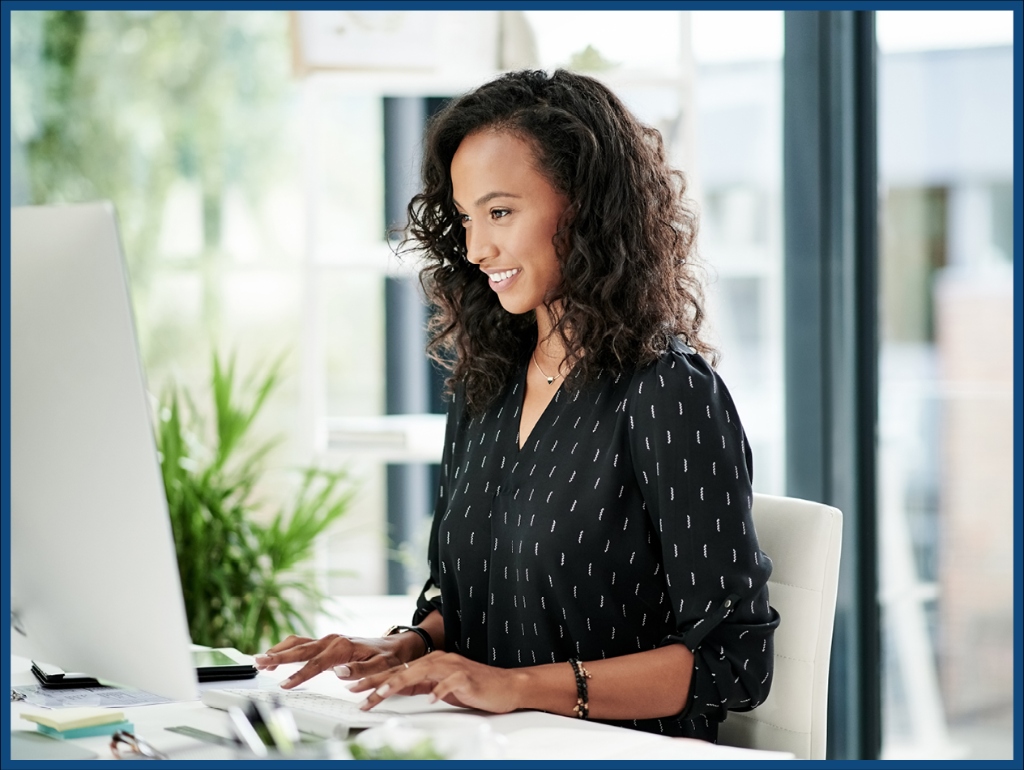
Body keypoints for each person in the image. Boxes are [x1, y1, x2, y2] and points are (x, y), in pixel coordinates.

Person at [255, 69, 779, 742]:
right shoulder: (489, 385)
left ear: (586, 205)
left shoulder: (667, 394)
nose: (477, 249)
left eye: (500, 213)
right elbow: (473, 596)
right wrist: (404, 645)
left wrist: (519, 687)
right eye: (468, 220)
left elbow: (734, 661)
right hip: (487, 743)